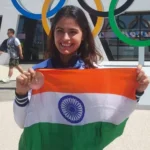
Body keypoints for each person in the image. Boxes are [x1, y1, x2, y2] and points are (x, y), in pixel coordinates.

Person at [13, 5, 149, 150]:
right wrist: (21, 93)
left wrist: (137, 91)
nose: (65, 38)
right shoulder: (38, 73)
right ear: (53, 33)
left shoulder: (95, 74)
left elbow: (113, 114)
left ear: (83, 35)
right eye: (60, 31)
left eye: (72, 32)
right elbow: (22, 122)